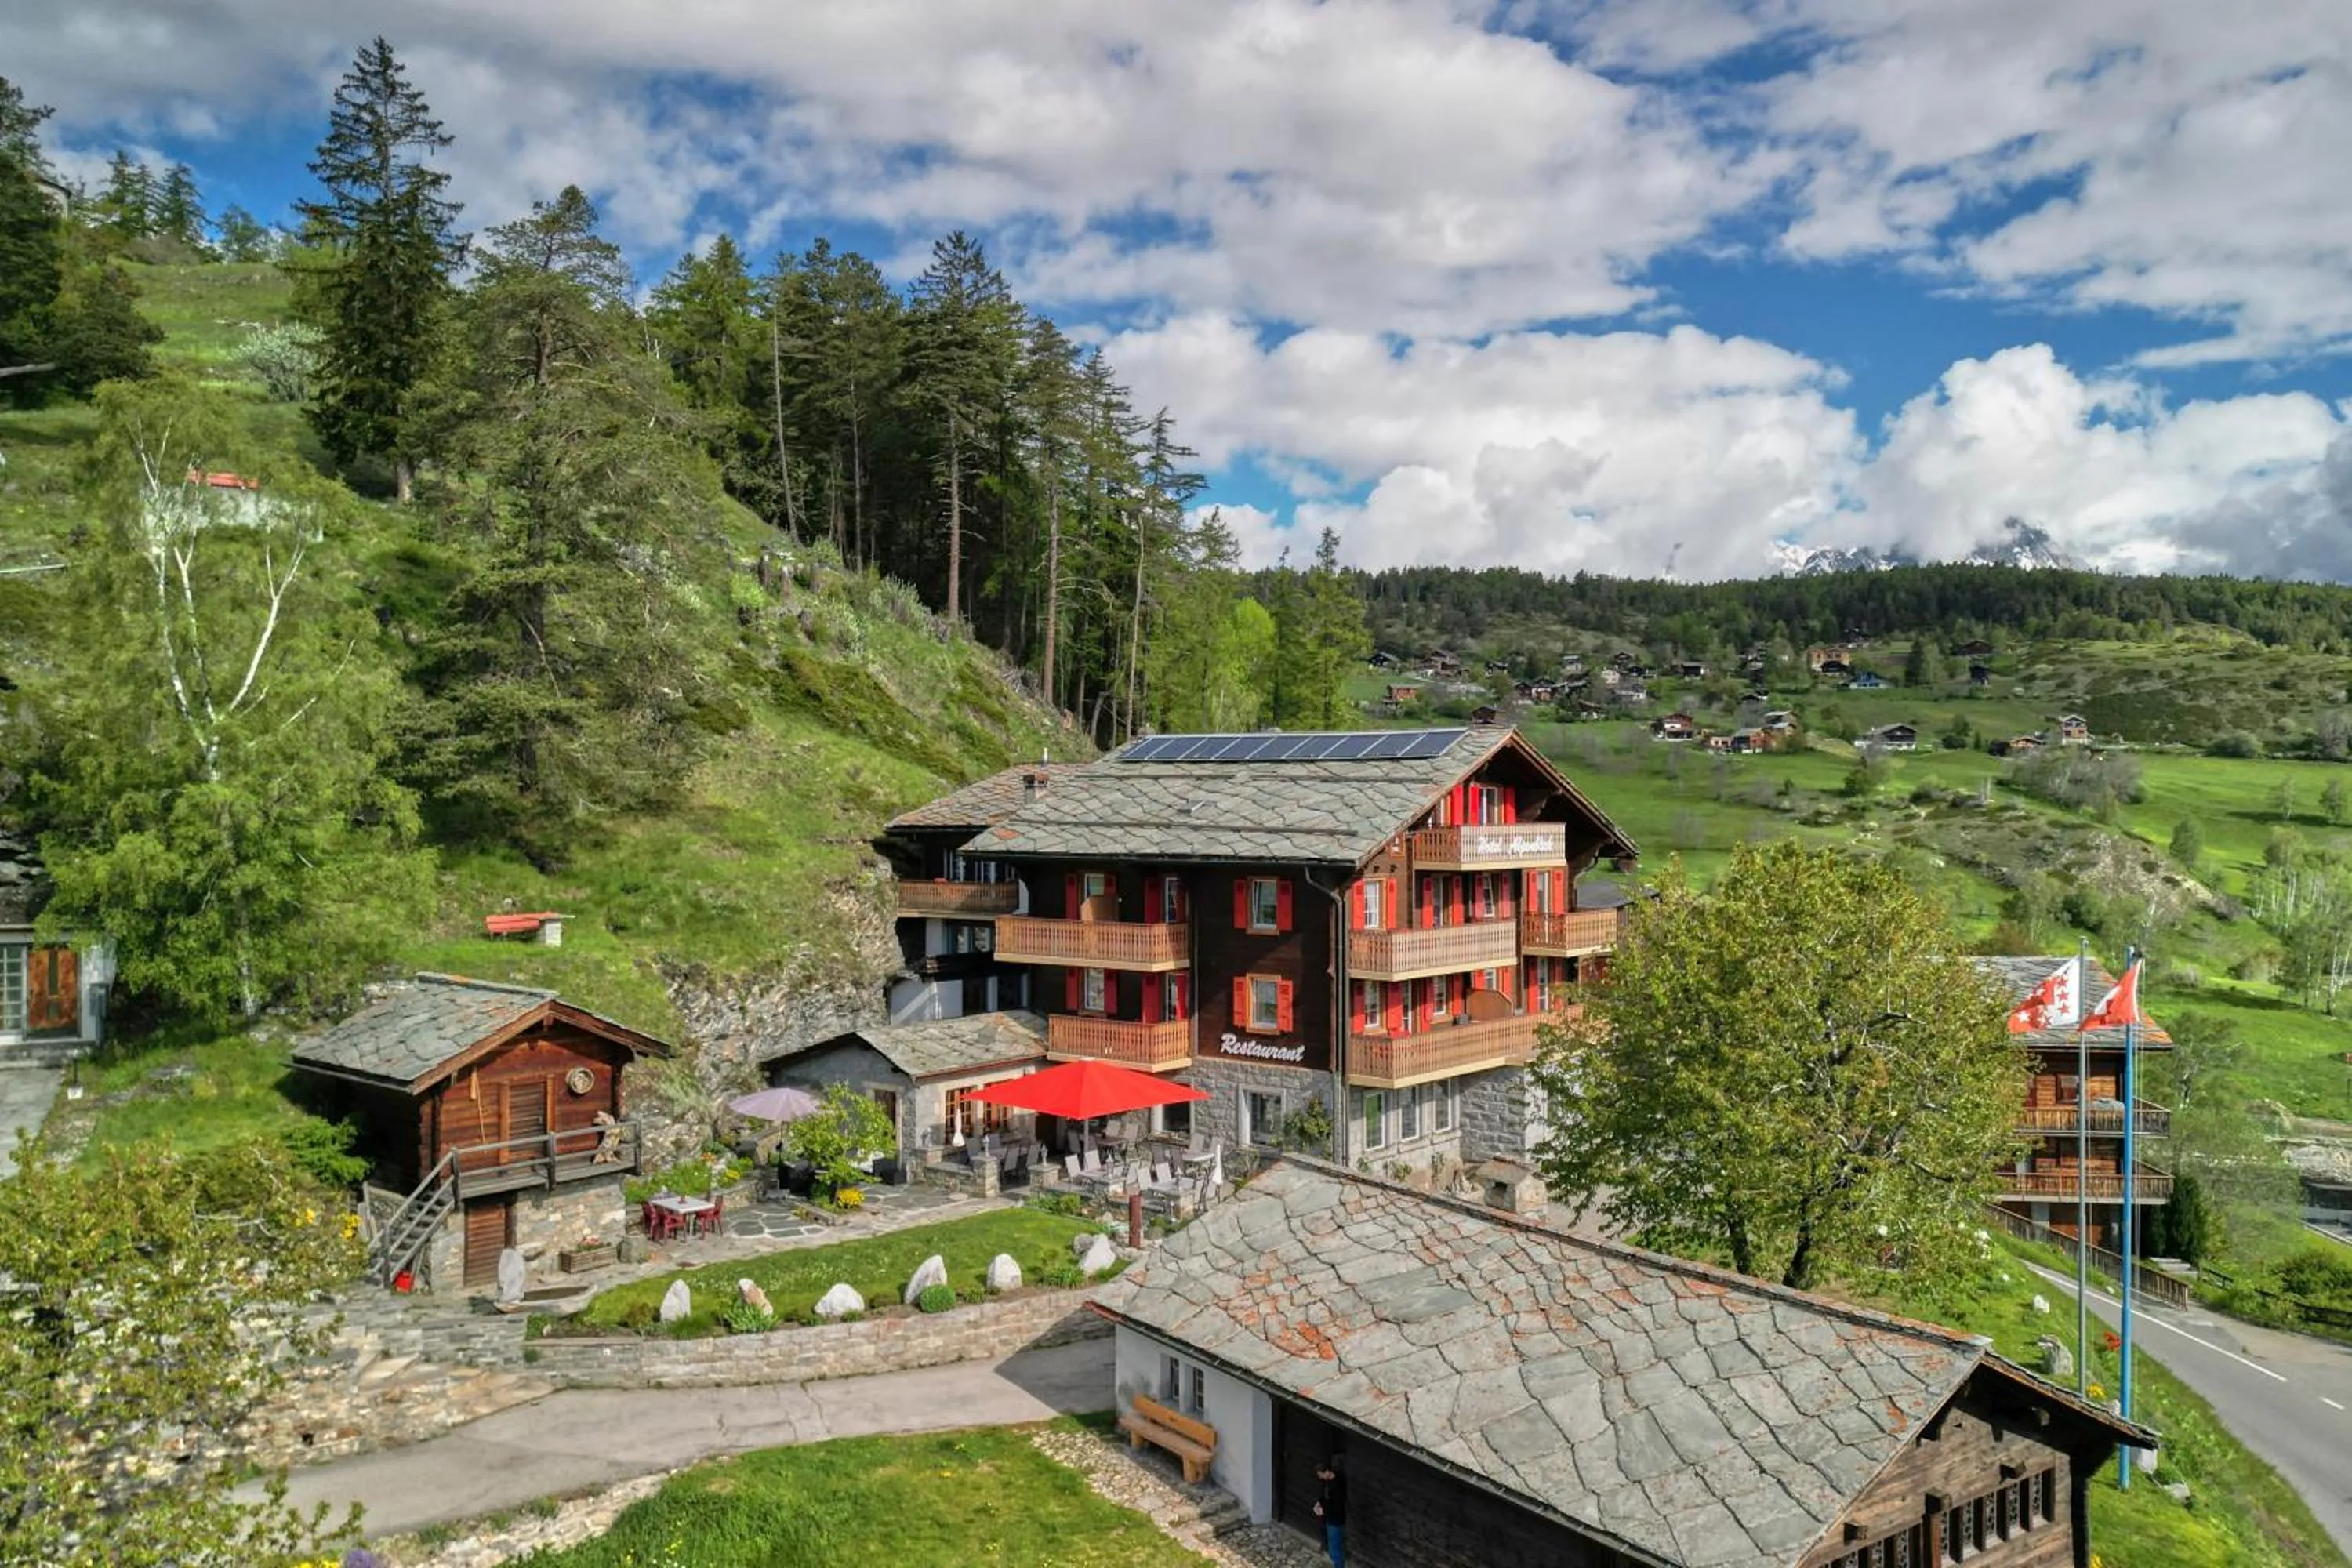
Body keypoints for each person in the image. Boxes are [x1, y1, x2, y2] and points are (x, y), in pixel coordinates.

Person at [1312, 1454, 1347, 1567]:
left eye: (1320, 1475)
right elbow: (1326, 1498)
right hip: (1332, 1518)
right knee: (1335, 1546)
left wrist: (1323, 1511)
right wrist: (1320, 1502)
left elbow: (1336, 1506)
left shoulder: (1336, 1487)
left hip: (1336, 1520)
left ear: (1325, 1472)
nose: (1320, 1478)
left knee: (1335, 1549)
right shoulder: (1332, 1480)